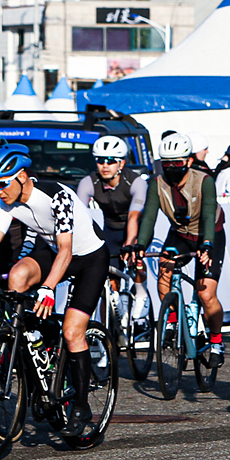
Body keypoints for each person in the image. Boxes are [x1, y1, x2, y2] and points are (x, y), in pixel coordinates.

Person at [0, 143, 110, 437]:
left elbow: (67, 249)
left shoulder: (57, 196)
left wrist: (48, 288)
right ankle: (36, 345)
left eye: (1, 184)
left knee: (73, 331)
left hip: (89, 259)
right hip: (54, 252)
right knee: (17, 275)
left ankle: (81, 405)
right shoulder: (6, 202)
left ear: (21, 176)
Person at [130, 131, 227, 361]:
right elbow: (149, 216)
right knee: (164, 268)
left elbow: (208, 214)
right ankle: (172, 321)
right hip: (180, 234)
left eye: (177, 163)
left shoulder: (204, 181)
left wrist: (207, 245)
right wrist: (140, 245)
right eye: (167, 163)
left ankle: (216, 341)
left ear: (189, 161)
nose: (172, 168)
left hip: (209, 233)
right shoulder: (157, 183)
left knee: (206, 294)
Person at [76, 134, 151, 326]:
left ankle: (141, 293)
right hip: (110, 227)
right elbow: (79, 215)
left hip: (136, 224)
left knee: (136, 257)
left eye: (110, 161)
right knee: (109, 275)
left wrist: (130, 243)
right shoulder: (89, 182)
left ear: (121, 163)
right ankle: (113, 320)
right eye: (100, 160)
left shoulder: (136, 182)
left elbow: (134, 216)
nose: (104, 165)